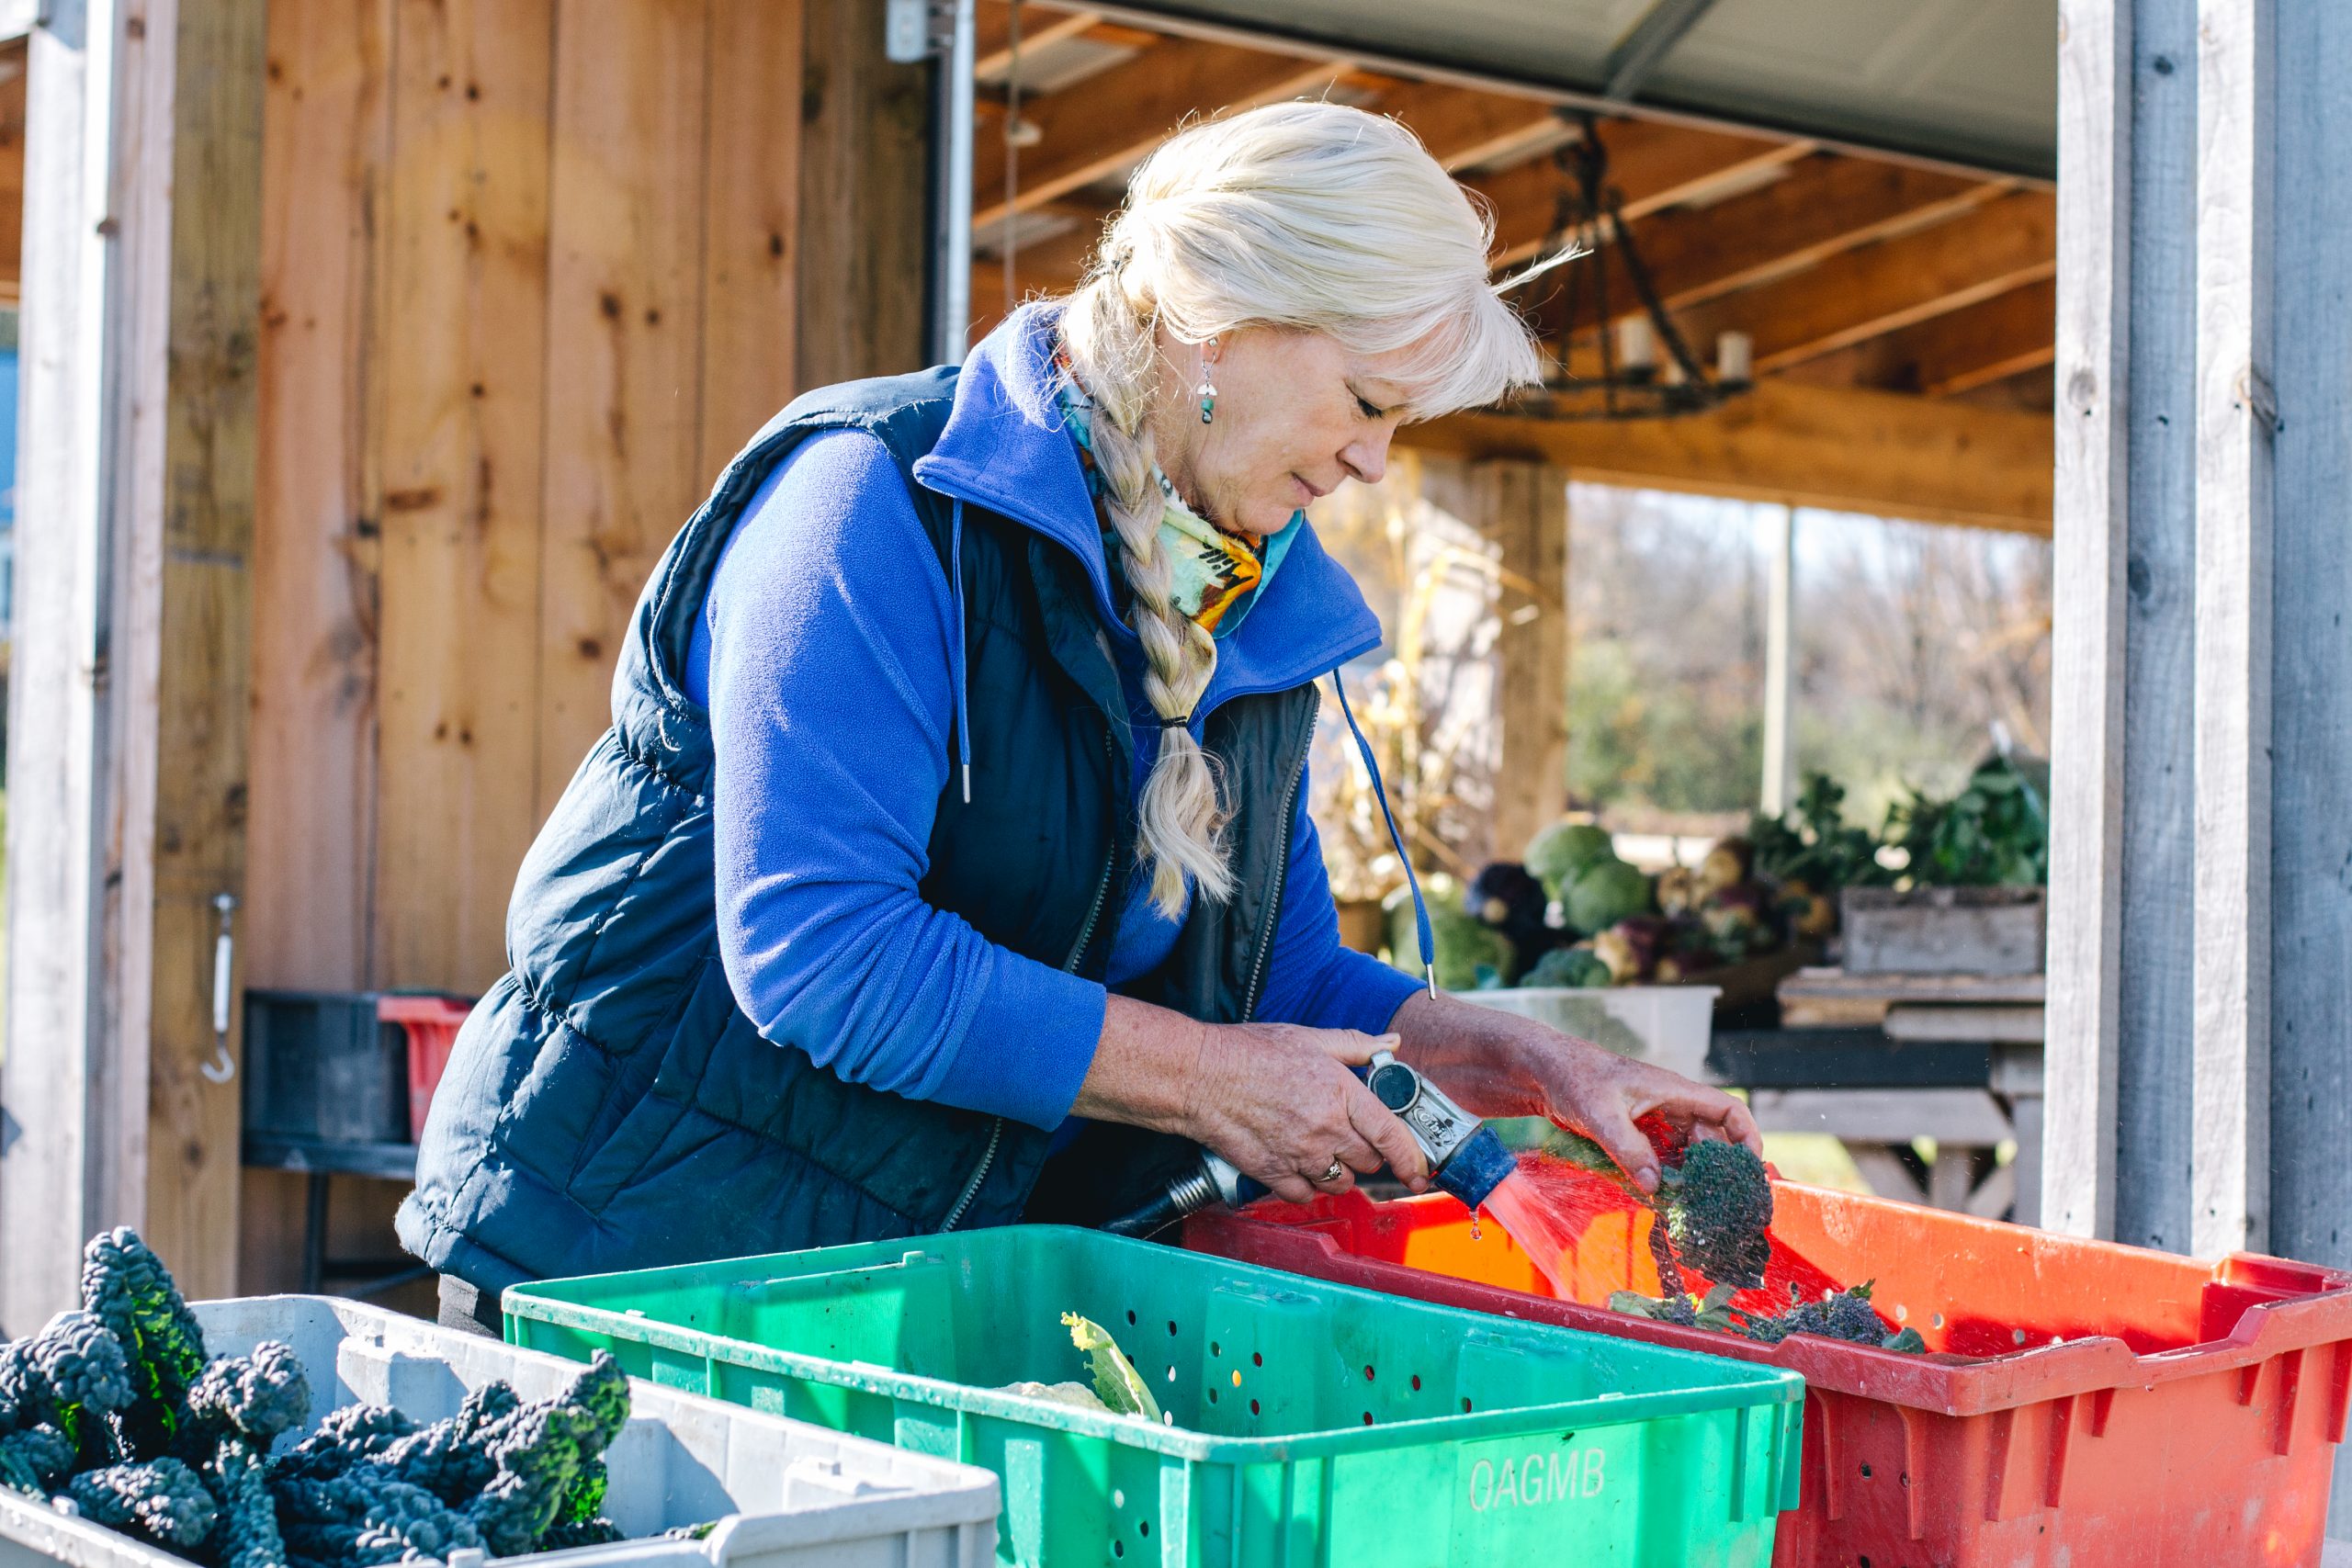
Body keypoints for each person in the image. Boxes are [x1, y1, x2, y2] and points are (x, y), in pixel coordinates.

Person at [397, 100, 1759, 1337]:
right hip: (630, 1275)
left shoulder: (1253, 606)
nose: (1371, 462)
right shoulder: (877, 501)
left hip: (915, 1312)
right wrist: (1205, 1081)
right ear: (1221, 311)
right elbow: (817, 946)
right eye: (1365, 402)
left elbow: (1274, 997)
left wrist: (1532, 1062)